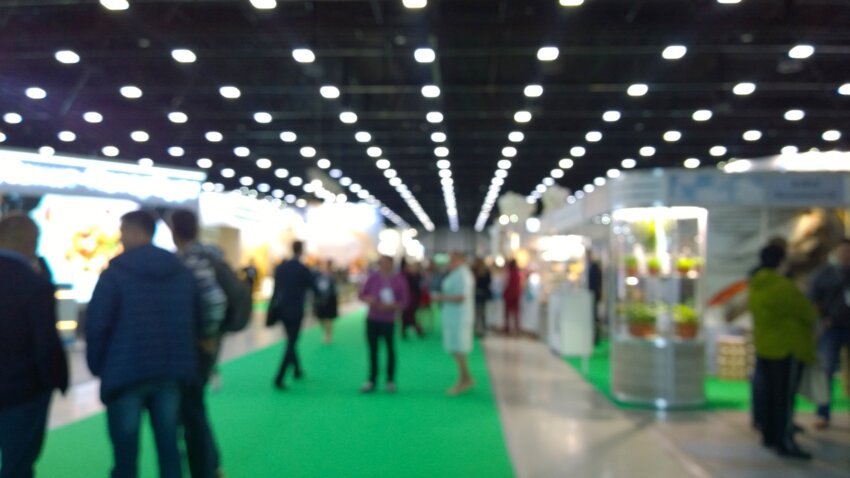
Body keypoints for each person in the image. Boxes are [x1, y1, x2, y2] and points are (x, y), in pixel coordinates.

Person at [86, 210, 198, 478]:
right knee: (169, 449)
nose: (120, 238)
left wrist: (99, 366)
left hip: (124, 374)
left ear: (134, 231)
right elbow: (197, 319)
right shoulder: (180, 271)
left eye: (122, 232)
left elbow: (97, 324)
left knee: (125, 457)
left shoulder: (115, 273)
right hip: (170, 372)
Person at [0, 214, 68, 478]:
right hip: (24, 389)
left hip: (22, 388)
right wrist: (57, 379)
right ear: (32, 242)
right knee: (18, 465)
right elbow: (45, 341)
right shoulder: (34, 284)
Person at [169, 209, 226, 478]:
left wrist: (207, 335)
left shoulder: (191, 260)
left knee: (191, 410)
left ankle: (207, 467)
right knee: (194, 408)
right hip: (201, 344)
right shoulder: (209, 255)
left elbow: (214, 300)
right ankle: (211, 464)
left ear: (174, 230)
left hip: (195, 346)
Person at [748, 244, 817, 459]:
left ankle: (769, 435)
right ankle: (784, 441)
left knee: (769, 394)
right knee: (784, 398)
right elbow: (808, 313)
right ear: (781, 261)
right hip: (787, 348)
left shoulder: (756, 284)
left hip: (765, 346)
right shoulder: (784, 287)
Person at [808, 238, 850, 429]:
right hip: (831, 329)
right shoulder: (825, 273)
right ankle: (822, 413)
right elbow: (813, 298)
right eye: (843, 251)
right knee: (826, 371)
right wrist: (821, 321)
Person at [268, 241, 315, 390]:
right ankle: (279, 377)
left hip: (282, 309)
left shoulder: (281, 268)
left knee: (291, 339)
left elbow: (275, 290)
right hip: (296, 310)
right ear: (301, 250)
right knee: (291, 342)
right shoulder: (303, 269)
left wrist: (271, 308)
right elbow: (313, 287)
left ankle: (297, 369)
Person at [359, 256, 409, 393]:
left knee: (390, 350)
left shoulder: (399, 280)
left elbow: (405, 301)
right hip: (372, 319)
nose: (385, 266)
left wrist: (392, 306)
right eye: (382, 263)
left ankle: (390, 380)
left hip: (389, 320)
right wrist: (369, 299)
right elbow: (362, 294)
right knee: (373, 350)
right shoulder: (373, 278)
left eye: (387, 263)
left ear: (392, 265)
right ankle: (372, 380)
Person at [434, 252, 476, 395]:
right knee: (455, 349)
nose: (449, 263)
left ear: (459, 260)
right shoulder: (456, 273)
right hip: (453, 316)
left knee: (459, 349)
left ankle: (464, 379)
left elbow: (461, 297)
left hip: (460, 318)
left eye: (452, 260)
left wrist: (441, 297)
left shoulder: (463, 275)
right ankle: (466, 378)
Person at [314, 260, 339, 345]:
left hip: (330, 299)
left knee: (329, 318)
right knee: (320, 318)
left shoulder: (332, 275)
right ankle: (326, 332)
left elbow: (334, 288)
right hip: (320, 300)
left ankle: (328, 335)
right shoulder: (318, 275)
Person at [400, 259, 424, 339]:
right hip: (408, 300)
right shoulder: (406, 275)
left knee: (409, 317)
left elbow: (418, 290)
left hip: (413, 300)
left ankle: (418, 331)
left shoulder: (415, 276)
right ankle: (405, 332)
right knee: (406, 317)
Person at [586, 252, 603, 345]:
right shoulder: (592, 267)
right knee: (594, 317)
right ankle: (594, 336)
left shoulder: (594, 268)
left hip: (594, 296)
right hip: (593, 296)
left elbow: (597, 283)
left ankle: (596, 337)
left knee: (595, 317)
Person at [473, 258, 492, 338]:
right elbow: (489, 283)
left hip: (477, 295)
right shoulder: (486, 272)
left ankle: (477, 329)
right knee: (482, 314)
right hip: (482, 295)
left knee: (477, 313)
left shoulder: (475, 272)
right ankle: (482, 329)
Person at [503, 259, 522, 335]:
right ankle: (516, 328)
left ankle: (508, 328)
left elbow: (505, 283)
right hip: (516, 295)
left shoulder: (508, 272)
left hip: (509, 295)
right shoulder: (518, 273)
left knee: (508, 312)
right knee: (516, 313)